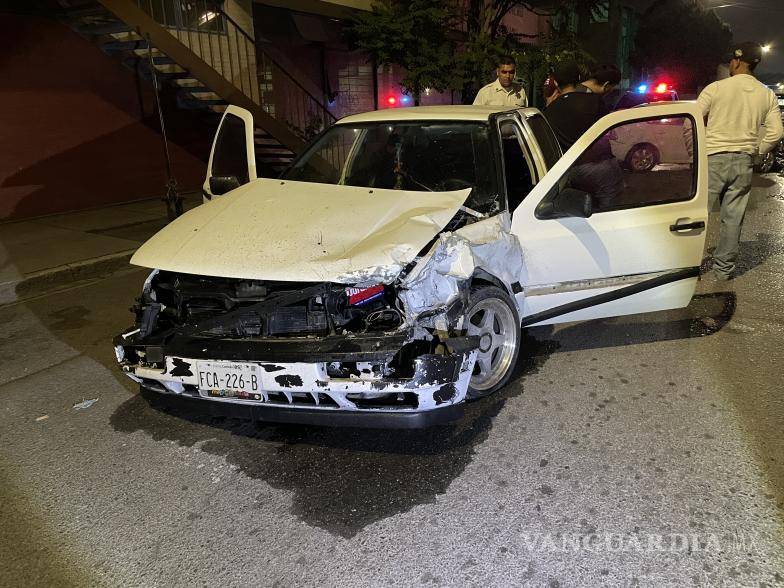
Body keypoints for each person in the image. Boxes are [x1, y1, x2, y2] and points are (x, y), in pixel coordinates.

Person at [697, 41, 784, 281]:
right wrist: (756, 151)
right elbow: (776, 132)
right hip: (744, 160)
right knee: (733, 218)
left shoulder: (715, 89)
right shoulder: (766, 94)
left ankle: (689, 267)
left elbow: (691, 121)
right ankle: (723, 271)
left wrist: (698, 147)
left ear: (735, 61)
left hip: (712, 159)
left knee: (698, 215)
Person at [544, 60, 623, 208]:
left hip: (566, 170)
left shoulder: (550, 108)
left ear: (555, 84)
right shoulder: (594, 102)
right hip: (596, 167)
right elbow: (606, 135)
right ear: (578, 79)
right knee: (610, 208)